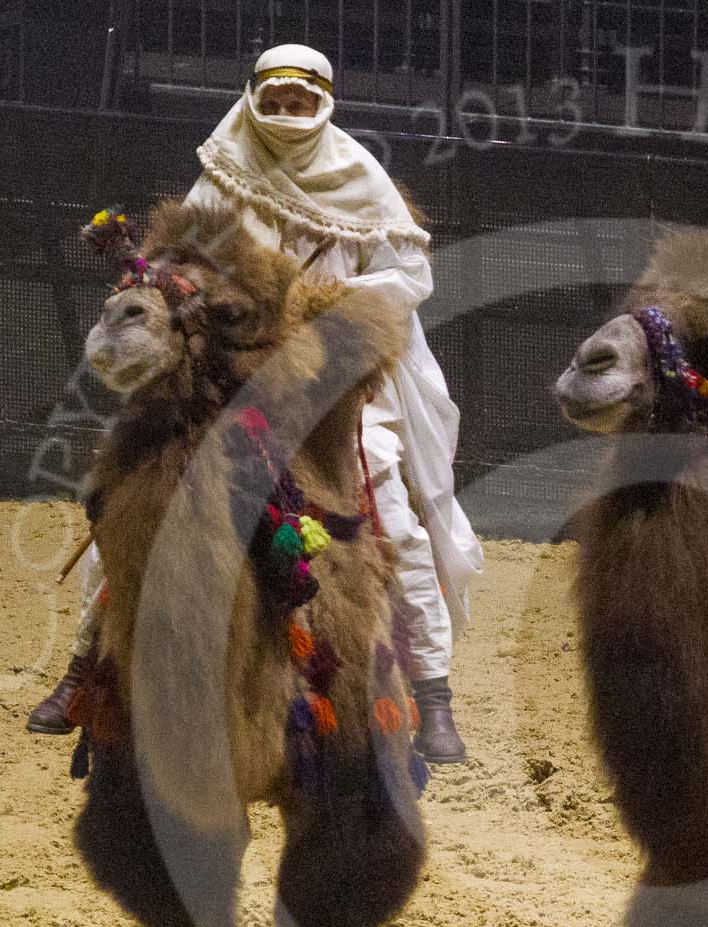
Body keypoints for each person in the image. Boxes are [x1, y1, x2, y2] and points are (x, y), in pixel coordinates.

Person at [29, 44, 483, 763]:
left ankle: (433, 695)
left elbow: (406, 281)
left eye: (300, 100)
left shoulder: (361, 184)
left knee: (394, 511)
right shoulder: (223, 176)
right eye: (273, 99)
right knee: (132, 500)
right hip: (228, 375)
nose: (287, 111)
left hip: (333, 384)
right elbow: (181, 263)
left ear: (323, 102)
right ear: (253, 100)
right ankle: (87, 668)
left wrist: (323, 310)